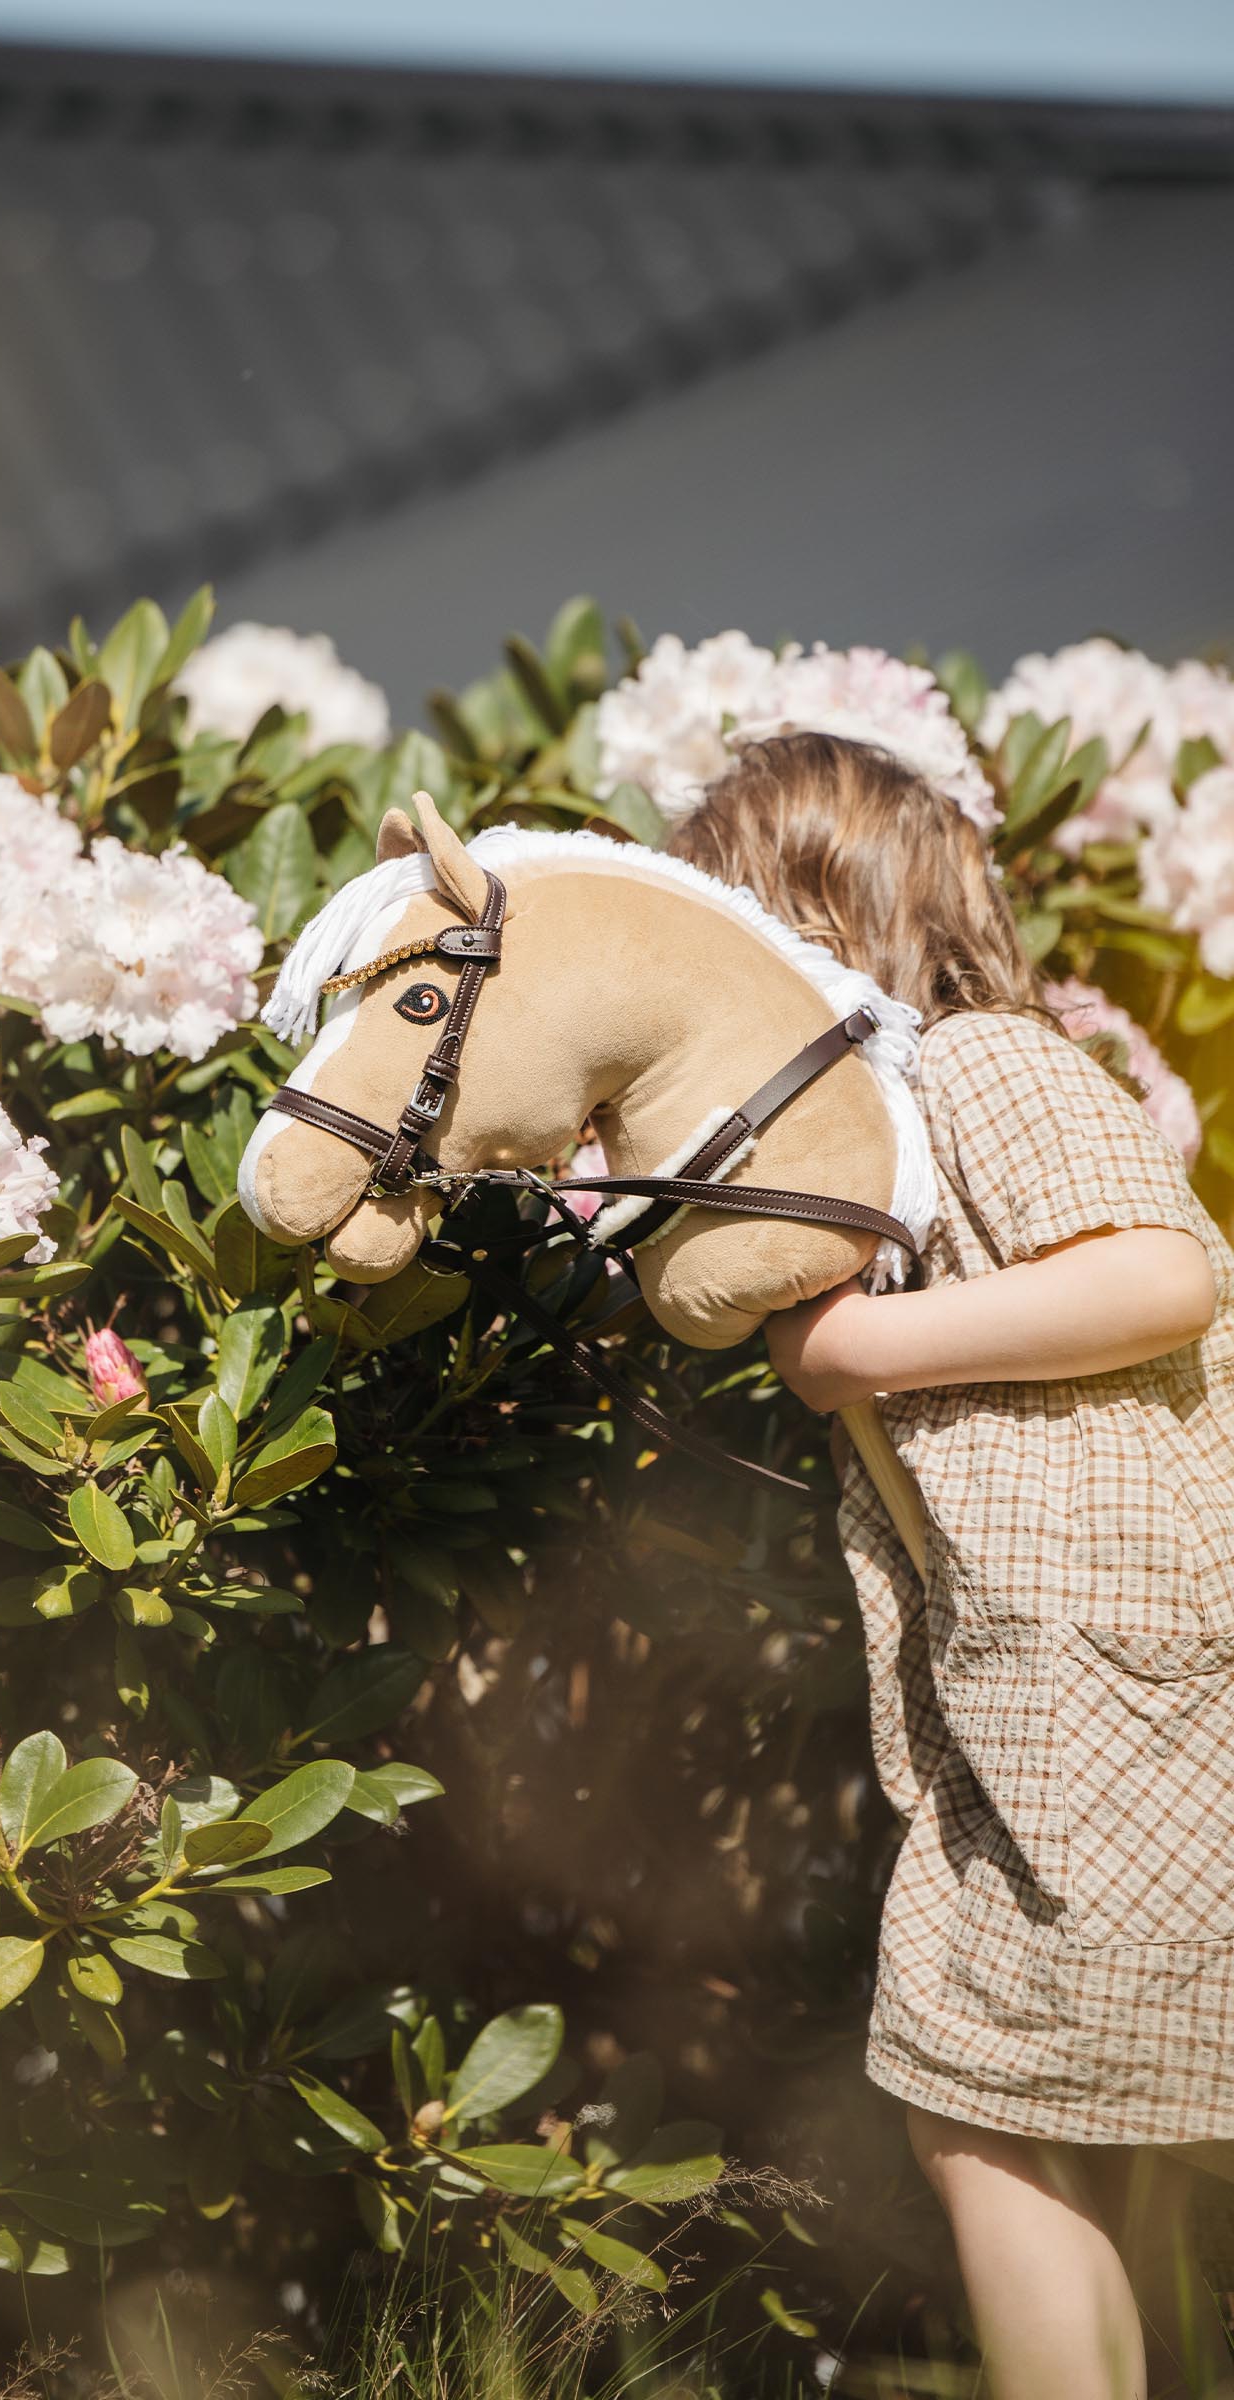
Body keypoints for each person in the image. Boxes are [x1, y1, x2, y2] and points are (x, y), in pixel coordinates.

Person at [667, 731, 1234, 2400]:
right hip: (1052, 1703)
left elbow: (1161, 1276)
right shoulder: (890, 1133)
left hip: (1135, 1690)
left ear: (821, 912)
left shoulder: (988, 1058)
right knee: (1003, 2109)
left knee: (1025, 2105)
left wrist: (855, 1350)